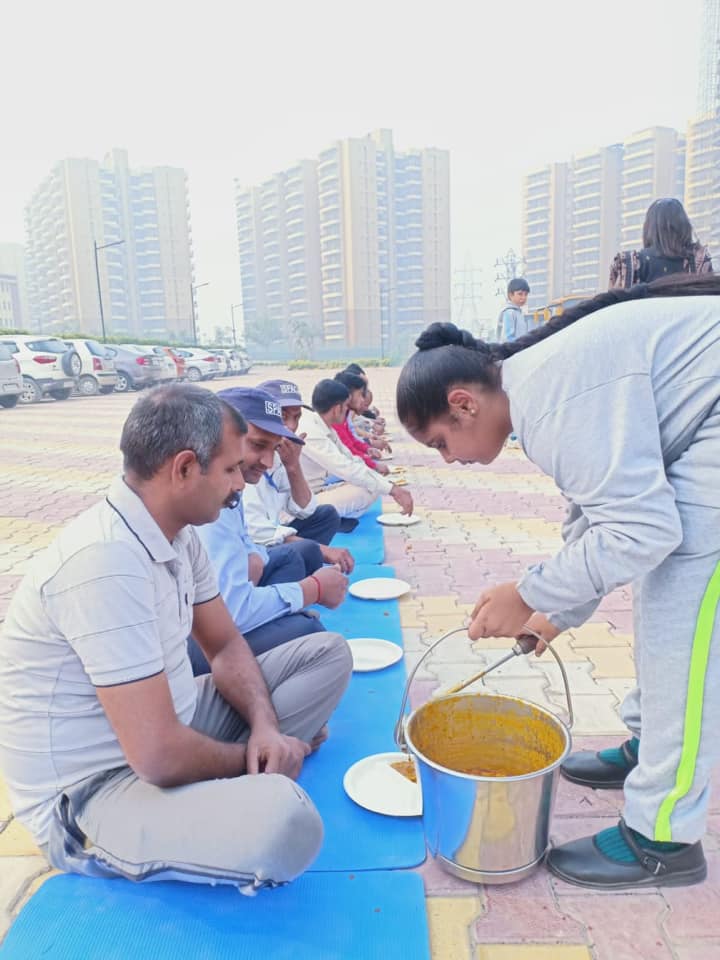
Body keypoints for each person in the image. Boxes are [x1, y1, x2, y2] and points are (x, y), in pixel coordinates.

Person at [395, 274, 720, 890]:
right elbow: (602, 518)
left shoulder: (551, 399)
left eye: (441, 442)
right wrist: (554, 613)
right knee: (661, 582)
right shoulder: (538, 386)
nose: (448, 459)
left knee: (684, 616)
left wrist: (528, 595)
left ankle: (663, 838)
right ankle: (650, 746)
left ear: (464, 402)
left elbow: (642, 531)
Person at [0, 384, 352, 889]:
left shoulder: (179, 534)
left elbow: (227, 646)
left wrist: (266, 730)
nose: (239, 485)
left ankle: (245, 776)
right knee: (285, 823)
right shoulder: (103, 562)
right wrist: (254, 762)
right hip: (94, 792)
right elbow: (158, 754)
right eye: (230, 470)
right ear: (185, 468)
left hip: (170, 722)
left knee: (328, 655)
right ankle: (247, 784)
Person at [187, 387, 350, 672]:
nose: (268, 461)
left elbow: (300, 512)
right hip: (196, 642)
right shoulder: (210, 494)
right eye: (257, 445)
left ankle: (278, 626)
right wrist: (313, 588)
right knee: (314, 638)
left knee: (295, 553)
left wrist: (254, 558)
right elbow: (230, 611)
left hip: (217, 610)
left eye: (273, 448)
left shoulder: (235, 482)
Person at [242, 379, 354, 568]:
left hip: (271, 534)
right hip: (251, 551)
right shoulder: (245, 460)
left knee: (326, 516)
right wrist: (321, 550)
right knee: (304, 551)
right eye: (283, 417)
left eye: (296, 417)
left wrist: (293, 466)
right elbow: (257, 532)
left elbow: (304, 510)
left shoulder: (279, 455)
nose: (292, 427)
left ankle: (302, 569)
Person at [300, 378, 413, 519]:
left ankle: (334, 518)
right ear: (337, 409)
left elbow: (350, 459)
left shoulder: (323, 425)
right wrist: (393, 490)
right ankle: (322, 520)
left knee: (371, 485)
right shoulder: (311, 431)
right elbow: (345, 467)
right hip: (301, 504)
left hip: (317, 490)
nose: (349, 410)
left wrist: (382, 481)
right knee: (366, 489)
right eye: (346, 406)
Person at [609, 198, 713, 289]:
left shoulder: (627, 263)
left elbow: (612, 305)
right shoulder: (699, 261)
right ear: (684, 227)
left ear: (649, 228)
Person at [332, 370, 390, 473]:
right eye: (360, 395)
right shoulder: (336, 418)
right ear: (348, 395)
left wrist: (367, 449)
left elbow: (352, 441)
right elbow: (348, 450)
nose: (363, 400)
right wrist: (373, 464)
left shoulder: (345, 415)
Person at [496, 277, 531, 342]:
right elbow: (508, 338)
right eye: (520, 294)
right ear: (510, 295)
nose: (523, 297)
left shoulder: (518, 312)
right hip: (513, 350)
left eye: (526, 294)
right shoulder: (509, 312)